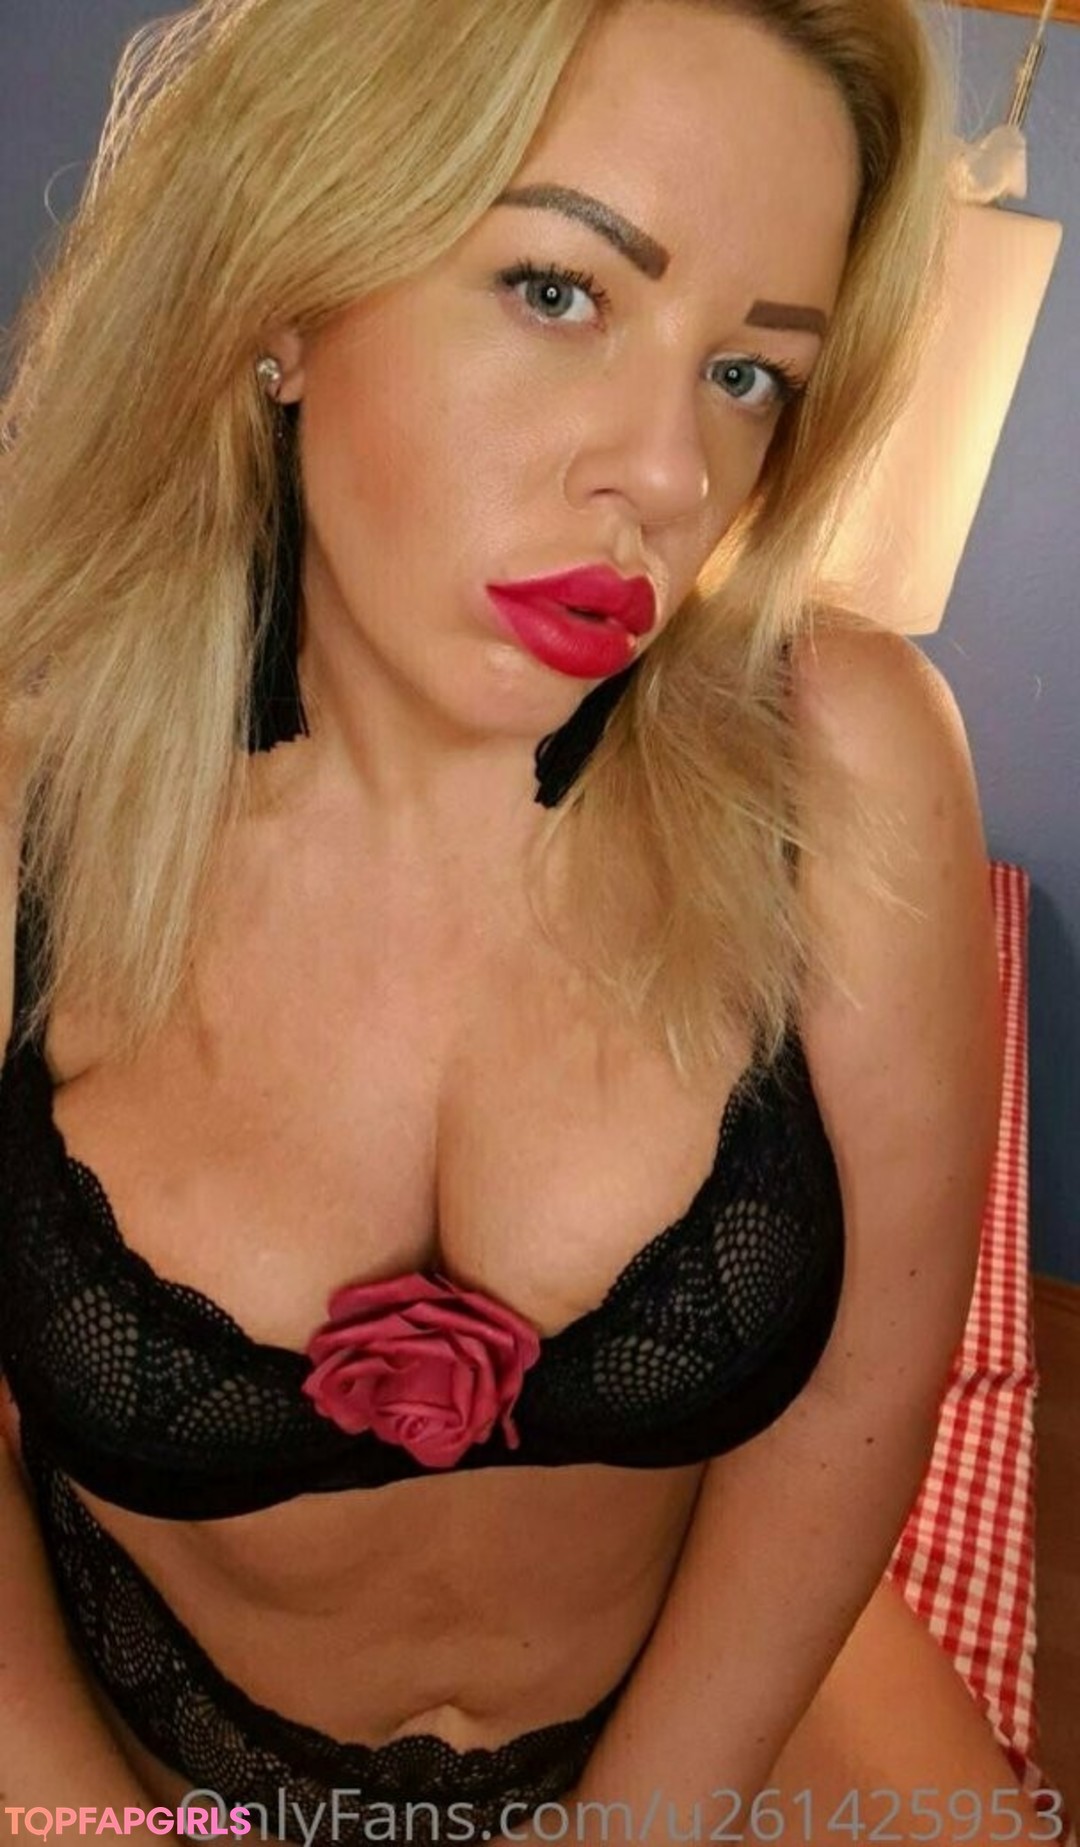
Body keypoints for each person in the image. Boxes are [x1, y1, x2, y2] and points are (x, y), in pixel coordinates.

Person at [0, 0, 1052, 1842]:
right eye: (560, 290)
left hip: (704, 1726)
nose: (672, 476)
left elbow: (857, 1397)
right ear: (286, 293)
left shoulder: (843, 760)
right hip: (154, 1755)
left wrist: (634, 1826)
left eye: (751, 375)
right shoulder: (29, 807)